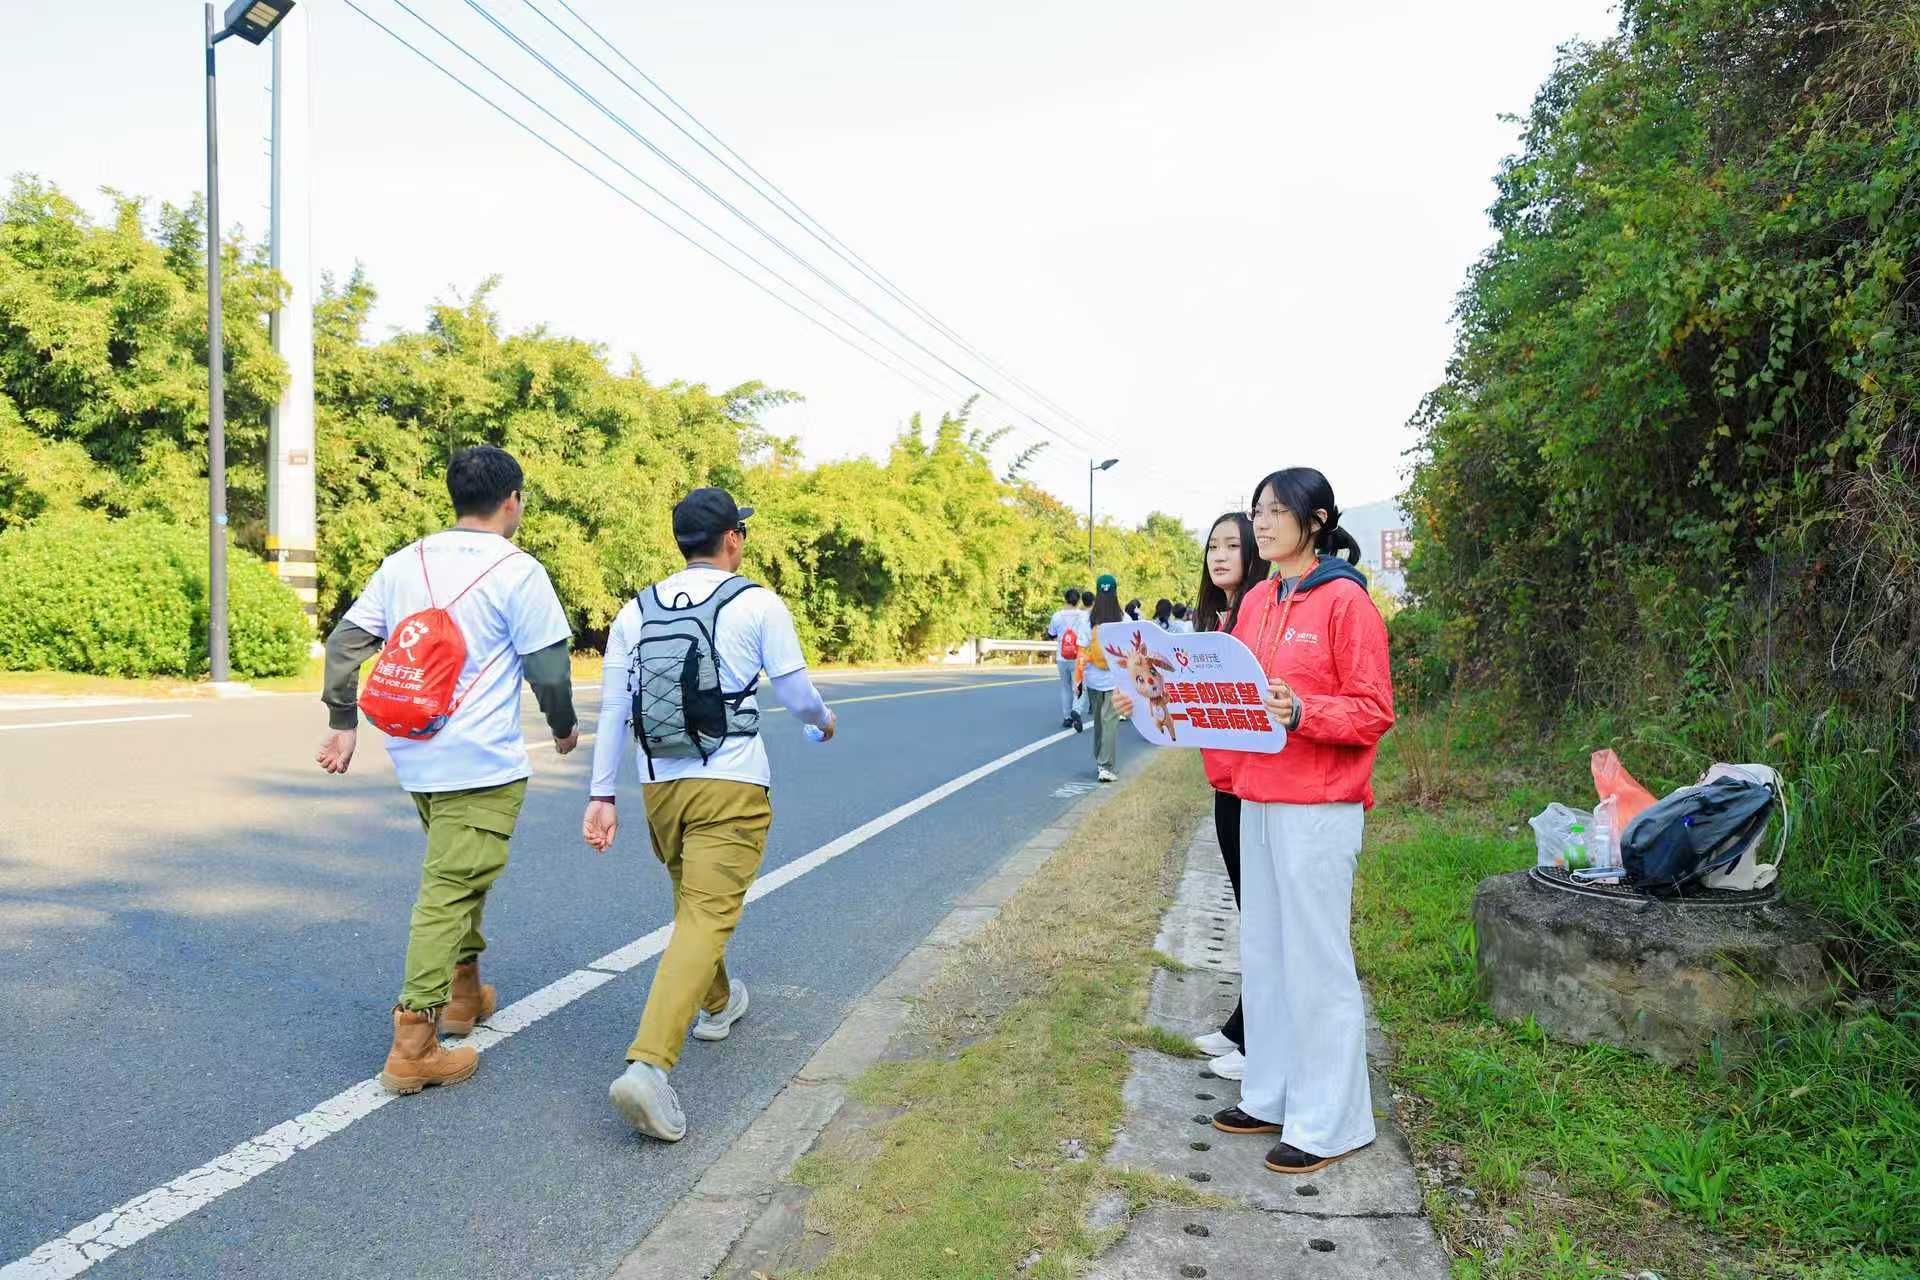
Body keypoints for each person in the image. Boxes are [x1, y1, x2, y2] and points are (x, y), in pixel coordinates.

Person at [316, 445, 579, 1095]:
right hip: (480, 760)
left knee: (459, 872)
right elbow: (548, 667)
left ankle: (463, 996)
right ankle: (414, 1043)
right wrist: (565, 726)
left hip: (415, 751)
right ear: (512, 500)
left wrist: (343, 723)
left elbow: (346, 644)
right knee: (448, 890)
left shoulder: (405, 561)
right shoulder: (520, 572)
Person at [583, 487, 838, 1143]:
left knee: (695, 904)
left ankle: (720, 1002)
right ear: (732, 539)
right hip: (730, 785)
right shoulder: (757, 602)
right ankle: (648, 1067)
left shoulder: (634, 613)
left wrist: (601, 796)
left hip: (660, 789)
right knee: (705, 911)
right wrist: (823, 721)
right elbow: (796, 694)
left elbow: (614, 710)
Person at [1209, 468, 1393, 1177]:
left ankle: (1332, 1121)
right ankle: (1270, 1092)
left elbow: (1374, 710)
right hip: (1257, 795)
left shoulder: (1346, 602)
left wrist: (1302, 713)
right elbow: (1227, 687)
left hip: (1319, 805)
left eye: (1276, 510)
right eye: (1257, 509)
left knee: (1317, 961)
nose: (1262, 521)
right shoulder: (1258, 598)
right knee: (1264, 951)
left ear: (1314, 520)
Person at [1185, 514, 1268, 1080]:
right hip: (1224, 781)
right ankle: (1245, 1025)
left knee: (1261, 914)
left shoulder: (1260, 613)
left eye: (1233, 545)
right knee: (1248, 908)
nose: (1219, 556)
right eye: (1212, 546)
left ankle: (1257, 1037)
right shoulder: (1216, 620)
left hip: (1256, 784)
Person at [1077, 575, 1126, 783]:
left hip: (1094, 679)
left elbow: (1080, 650)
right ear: (1115, 592)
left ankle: (1100, 762)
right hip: (1116, 680)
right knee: (1110, 722)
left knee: (1099, 721)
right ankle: (1105, 766)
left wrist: (1079, 680)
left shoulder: (1088, 619)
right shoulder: (1124, 619)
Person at [1045, 587, 1086, 732]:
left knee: (1065, 687)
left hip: (1061, 657)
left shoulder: (1057, 616)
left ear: (1066, 599)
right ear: (1078, 601)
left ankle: (1067, 717)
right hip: (1078, 656)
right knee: (1079, 684)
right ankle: (1077, 710)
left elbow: (1051, 634)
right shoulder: (1083, 616)